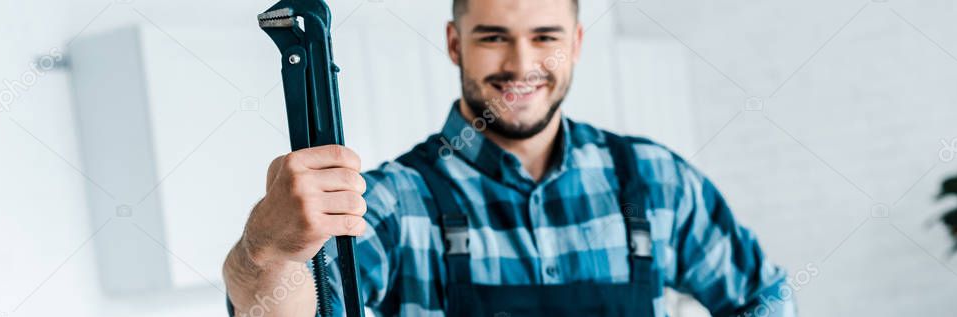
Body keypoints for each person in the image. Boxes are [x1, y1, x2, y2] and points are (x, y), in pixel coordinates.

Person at [223, 0, 795, 316]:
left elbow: (763, 297)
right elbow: (287, 313)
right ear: (455, 43)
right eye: (494, 36)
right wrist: (265, 252)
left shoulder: (655, 180)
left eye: (545, 37)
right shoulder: (394, 203)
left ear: (575, 43)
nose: (522, 64)